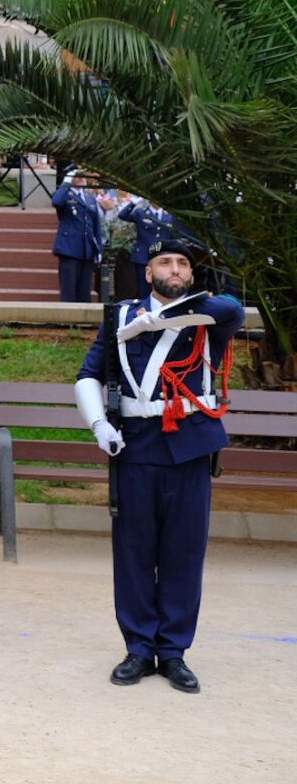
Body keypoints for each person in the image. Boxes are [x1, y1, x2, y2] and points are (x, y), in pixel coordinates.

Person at [71, 240, 244, 694]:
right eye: (164, 263)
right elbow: (88, 376)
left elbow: (233, 309)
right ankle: (138, 648)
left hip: (190, 448)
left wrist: (172, 311)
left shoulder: (208, 318)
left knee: (184, 554)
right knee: (134, 553)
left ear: (192, 275)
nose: (175, 269)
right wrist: (98, 425)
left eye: (183, 263)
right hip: (136, 446)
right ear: (147, 273)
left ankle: (173, 652)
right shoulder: (120, 318)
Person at [52, 169, 108, 303]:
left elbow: (96, 225)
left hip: (86, 249)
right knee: (69, 290)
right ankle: (68, 316)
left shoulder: (89, 197)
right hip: (69, 248)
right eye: (76, 176)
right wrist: (66, 183)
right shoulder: (65, 195)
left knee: (84, 291)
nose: (80, 178)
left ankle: (84, 316)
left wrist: (99, 249)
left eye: (82, 176)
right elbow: (56, 201)